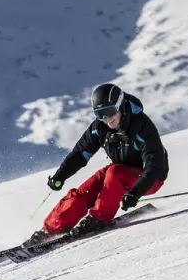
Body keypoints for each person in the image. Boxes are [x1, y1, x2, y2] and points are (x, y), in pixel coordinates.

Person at [24, 82, 168, 248]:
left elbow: (155, 165)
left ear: (120, 105)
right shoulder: (99, 128)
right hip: (120, 172)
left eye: (109, 111)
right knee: (85, 191)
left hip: (151, 178)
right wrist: (60, 176)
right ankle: (50, 229)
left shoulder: (142, 126)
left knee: (114, 173)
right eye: (100, 114)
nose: (106, 118)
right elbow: (79, 154)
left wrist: (135, 193)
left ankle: (98, 219)